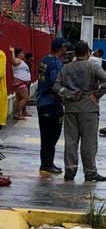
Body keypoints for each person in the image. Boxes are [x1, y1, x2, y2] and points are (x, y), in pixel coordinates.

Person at [53, 40, 106, 182]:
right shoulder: (93, 66)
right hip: (89, 109)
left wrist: (67, 94)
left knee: (71, 141)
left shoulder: (66, 68)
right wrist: (96, 95)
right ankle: (90, 172)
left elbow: (56, 86)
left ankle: (70, 170)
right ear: (87, 53)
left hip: (71, 109)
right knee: (89, 142)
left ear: (75, 53)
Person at [37, 37, 67, 175]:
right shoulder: (56, 63)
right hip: (52, 104)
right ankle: (47, 164)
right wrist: (65, 97)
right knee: (53, 134)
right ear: (61, 48)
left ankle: (46, 163)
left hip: (42, 102)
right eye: (65, 47)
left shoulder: (45, 60)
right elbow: (55, 84)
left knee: (45, 134)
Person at [10, 47, 31, 120]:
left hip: (19, 82)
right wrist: (12, 52)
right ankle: (17, 114)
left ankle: (15, 114)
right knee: (25, 98)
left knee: (18, 98)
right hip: (20, 82)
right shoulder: (18, 60)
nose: (23, 54)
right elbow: (14, 61)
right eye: (22, 53)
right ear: (18, 54)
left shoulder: (20, 61)